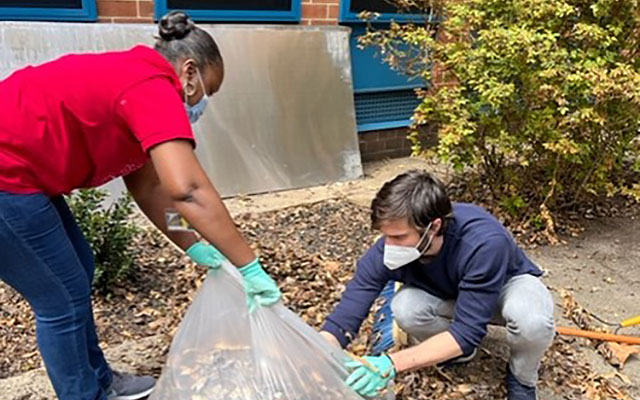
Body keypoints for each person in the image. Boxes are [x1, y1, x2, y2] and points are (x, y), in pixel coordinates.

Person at [0, 11, 281, 400]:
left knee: (78, 268)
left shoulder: (139, 82)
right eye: (206, 91)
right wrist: (249, 265)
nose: (202, 104)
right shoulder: (151, 86)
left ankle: (100, 379)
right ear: (188, 71)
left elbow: (149, 185)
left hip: (24, 177)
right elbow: (189, 190)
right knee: (59, 299)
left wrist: (191, 242)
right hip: (7, 178)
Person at [320, 170, 554, 400]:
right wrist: (318, 352)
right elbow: (345, 317)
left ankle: (522, 377)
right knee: (405, 308)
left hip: (506, 286)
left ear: (433, 227)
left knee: (532, 321)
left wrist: (390, 364)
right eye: (385, 236)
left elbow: (467, 331)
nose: (389, 245)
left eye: (399, 237)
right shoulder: (388, 250)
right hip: (452, 291)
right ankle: (459, 353)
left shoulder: (483, 243)